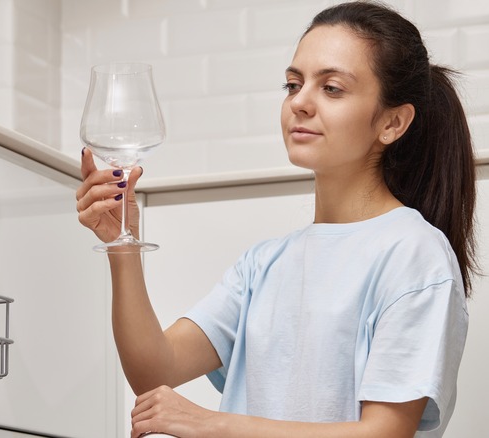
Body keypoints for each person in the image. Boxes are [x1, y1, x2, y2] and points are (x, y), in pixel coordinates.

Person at [75, 1, 477, 437]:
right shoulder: (264, 263)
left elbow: (382, 433)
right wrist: (122, 244)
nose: (300, 102)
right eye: (292, 84)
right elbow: (155, 371)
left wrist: (213, 424)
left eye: (332, 88)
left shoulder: (414, 253)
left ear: (392, 122)